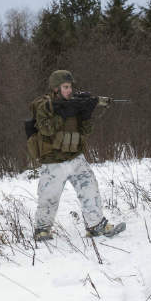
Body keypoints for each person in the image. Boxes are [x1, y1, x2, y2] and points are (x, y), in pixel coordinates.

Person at [29, 70, 123, 242]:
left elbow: (85, 132)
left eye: (70, 86)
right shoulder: (45, 105)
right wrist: (62, 115)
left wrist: (86, 114)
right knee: (49, 196)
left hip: (76, 157)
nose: (69, 90)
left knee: (90, 189)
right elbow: (45, 129)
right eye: (65, 87)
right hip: (54, 161)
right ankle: (42, 230)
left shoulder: (76, 104)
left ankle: (95, 225)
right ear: (56, 88)